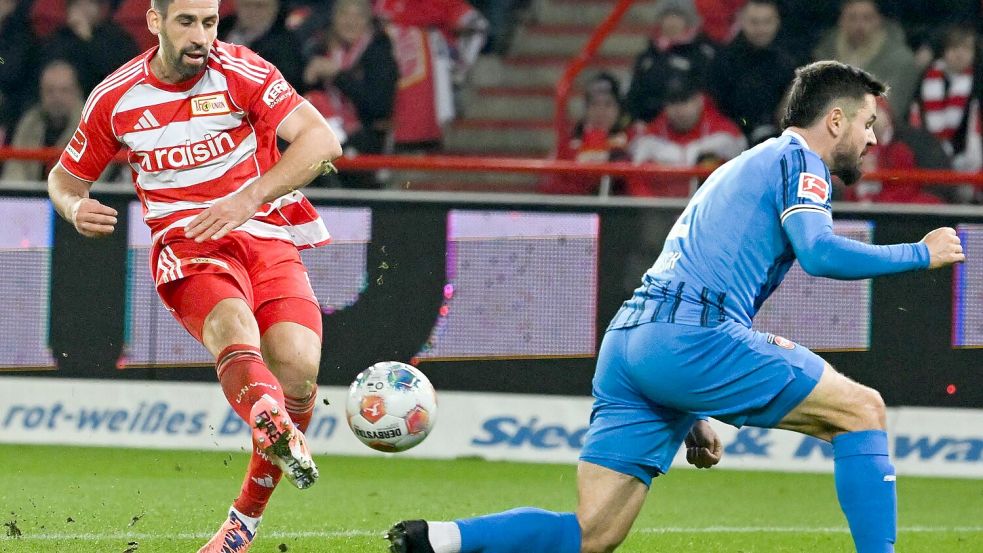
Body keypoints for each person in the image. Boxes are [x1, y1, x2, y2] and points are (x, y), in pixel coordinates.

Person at [385, 61, 965, 553]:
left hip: (632, 341)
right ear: (834, 119)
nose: (871, 138)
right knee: (862, 410)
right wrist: (920, 251)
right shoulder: (801, 161)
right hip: (691, 335)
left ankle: (440, 539)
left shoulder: (741, 165)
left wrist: (689, 404)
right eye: (866, 123)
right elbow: (816, 252)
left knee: (594, 534)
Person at [45, 0, 343, 551]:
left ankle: (244, 520)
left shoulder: (243, 71)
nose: (201, 35)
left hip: (265, 233)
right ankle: (266, 415)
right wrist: (72, 207)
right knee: (233, 327)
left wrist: (249, 196)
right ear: (155, 22)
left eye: (209, 22)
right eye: (187, 22)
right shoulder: (117, 97)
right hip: (189, 245)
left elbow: (323, 142)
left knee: (299, 369)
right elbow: (64, 177)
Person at [629, 68, 746, 197]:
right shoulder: (649, 137)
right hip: (659, 212)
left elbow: (739, 180)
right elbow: (635, 180)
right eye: (673, 102)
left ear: (699, 100)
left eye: (685, 100)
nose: (679, 109)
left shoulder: (725, 133)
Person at [708, 0, 797, 145]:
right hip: (732, 136)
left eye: (767, 22)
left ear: (777, 22)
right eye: (754, 22)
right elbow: (718, 107)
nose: (761, 29)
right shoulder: (724, 61)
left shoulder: (790, 60)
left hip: (779, 136)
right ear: (742, 22)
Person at [812, 0, 920, 118]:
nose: (859, 25)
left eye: (867, 18)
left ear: (879, 20)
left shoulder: (900, 61)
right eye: (852, 18)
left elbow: (890, 112)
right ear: (841, 21)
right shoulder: (824, 54)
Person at [541, 72, 630, 195]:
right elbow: (551, 187)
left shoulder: (631, 143)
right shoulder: (568, 144)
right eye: (594, 104)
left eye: (608, 104)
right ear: (586, 109)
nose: (600, 112)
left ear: (618, 109)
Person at [1, 61, 83, 182]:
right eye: (50, 91)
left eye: (64, 90)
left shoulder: (92, 124)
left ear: (77, 92)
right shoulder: (30, 122)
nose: (57, 97)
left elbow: (96, 181)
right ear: (41, 93)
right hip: (33, 198)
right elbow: (15, 169)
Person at [41, 0, 139, 94]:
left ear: (99, 8)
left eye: (89, 4)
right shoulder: (59, 37)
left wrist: (87, 39)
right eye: (77, 4)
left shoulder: (118, 38)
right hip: (62, 101)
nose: (83, 10)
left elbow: (113, 75)